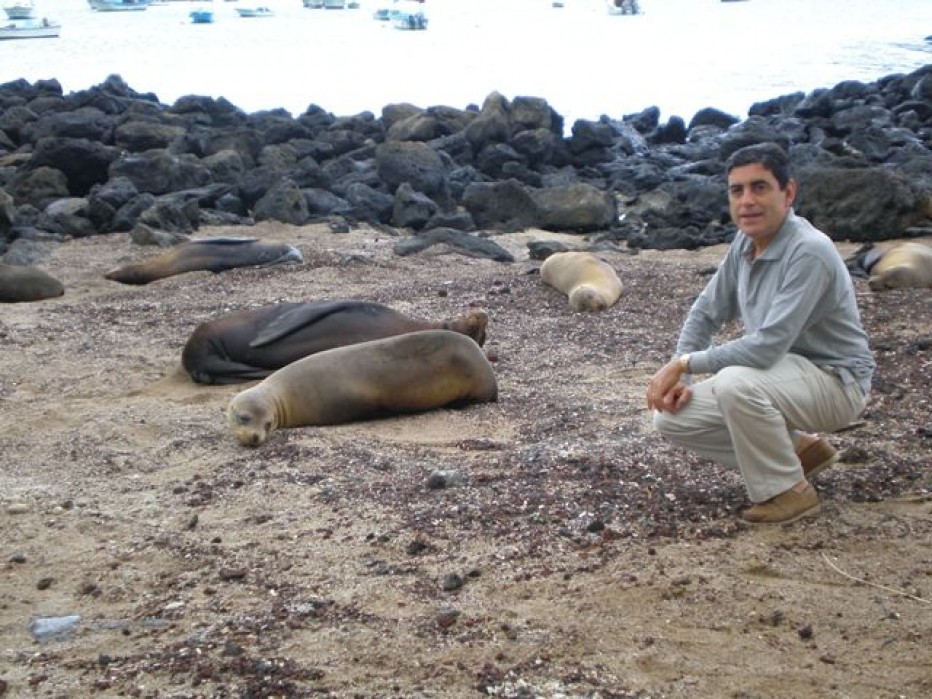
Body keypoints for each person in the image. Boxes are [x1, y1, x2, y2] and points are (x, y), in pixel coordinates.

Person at [646, 142, 874, 524]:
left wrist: (688, 361)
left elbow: (767, 346)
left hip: (836, 383)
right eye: (737, 191)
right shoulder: (745, 242)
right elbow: (705, 312)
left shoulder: (809, 251)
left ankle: (788, 491)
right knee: (671, 417)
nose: (747, 200)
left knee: (736, 382)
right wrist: (680, 375)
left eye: (759, 187)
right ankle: (801, 452)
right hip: (784, 377)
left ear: (788, 193)